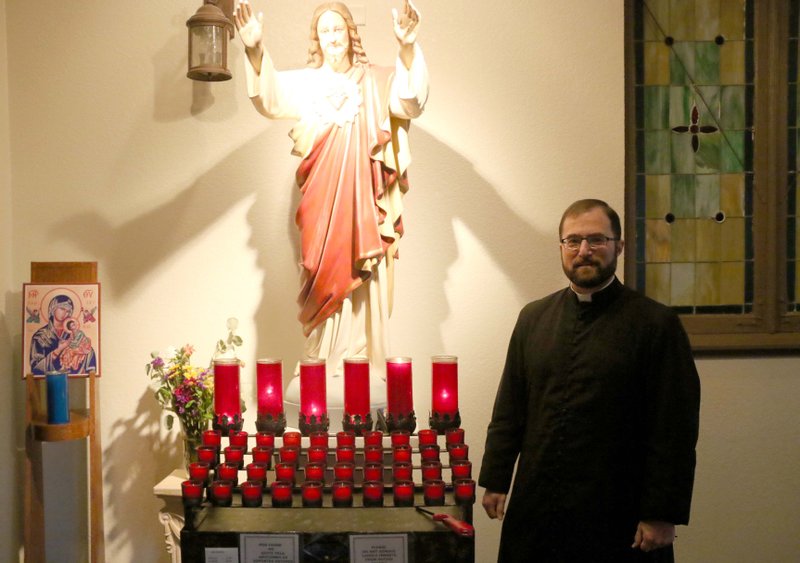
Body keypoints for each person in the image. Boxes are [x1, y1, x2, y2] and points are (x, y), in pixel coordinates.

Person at [479, 199, 700, 562]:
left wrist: (662, 513)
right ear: (562, 247)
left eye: (597, 240)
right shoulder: (533, 319)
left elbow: (674, 428)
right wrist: (497, 478)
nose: (584, 251)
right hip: (539, 509)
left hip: (619, 516)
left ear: (619, 247)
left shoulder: (656, 324)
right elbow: (510, 409)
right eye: (573, 241)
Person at [234, 0, 429, 400]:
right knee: (320, 269)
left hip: (362, 205)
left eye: (338, 29)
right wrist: (254, 49)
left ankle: (359, 359)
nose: (333, 38)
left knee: (361, 268)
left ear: (350, 34)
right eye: (325, 32)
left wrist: (407, 47)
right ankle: (321, 359)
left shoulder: (375, 81)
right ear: (317, 40)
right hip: (322, 203)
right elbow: (270, 99)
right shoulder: (308, 84)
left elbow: (410, 101)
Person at [30, 295, 98, 375]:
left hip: (75, 377)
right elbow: (36, 368)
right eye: (62, 309)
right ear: (53, 309)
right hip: (49, 381)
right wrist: (58, 350)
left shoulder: (73, 334)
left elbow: (88, 351)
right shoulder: (40, 336)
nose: (65, 313)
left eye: (68, 311)